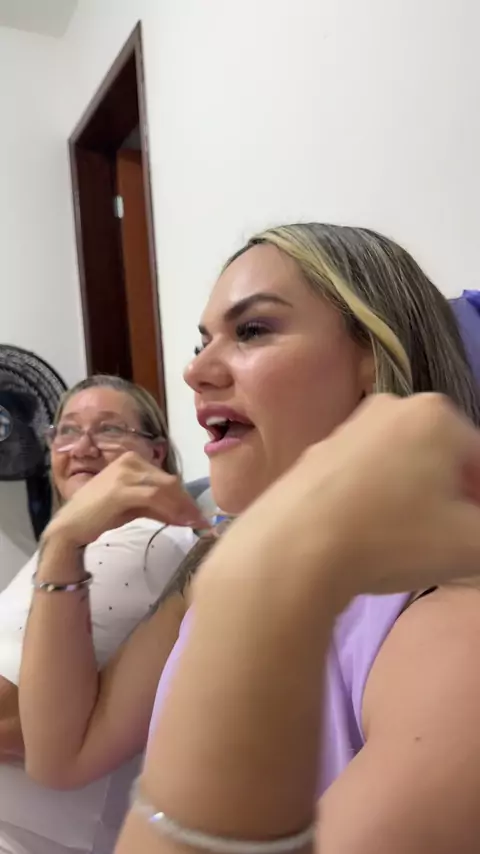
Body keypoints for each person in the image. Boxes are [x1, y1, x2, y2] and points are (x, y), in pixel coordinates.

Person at [20, 225, 480, 852]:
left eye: (253, 330)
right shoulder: (216, 565)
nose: (194, 371)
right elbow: (63, 754)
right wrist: (63, 540)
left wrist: (260, 585)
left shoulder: (451, 613)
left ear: (375, 355)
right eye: (201, 342)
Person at [0, 375, 202, 854]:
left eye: (109, 430)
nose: (82, 448)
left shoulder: (144, 542)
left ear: (155, 453)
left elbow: (13, 716)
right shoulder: (65, 548)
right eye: (67, 430)